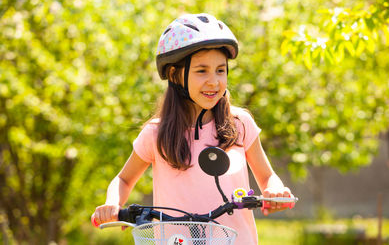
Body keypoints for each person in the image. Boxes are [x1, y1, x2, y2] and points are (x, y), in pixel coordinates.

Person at [92, 13, 294, 244]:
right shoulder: (156, 133)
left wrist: (275, 192)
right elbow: (124, 179)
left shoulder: (239, 123)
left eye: (220, 70)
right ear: (174, 75)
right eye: (201, 71)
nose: (214, 81)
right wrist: (112, 204)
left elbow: (267, 177)